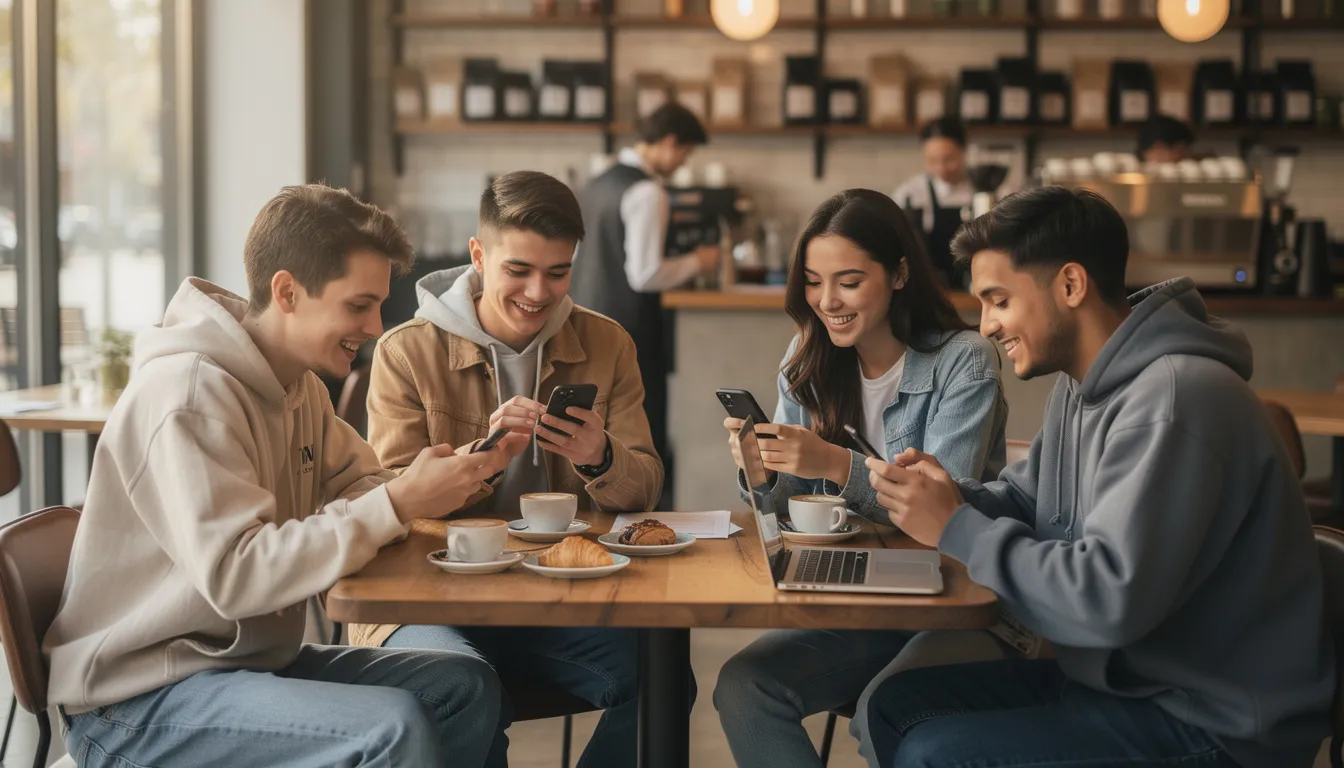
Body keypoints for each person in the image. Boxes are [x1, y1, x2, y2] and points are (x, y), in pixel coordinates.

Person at [43, 184, 523, 767]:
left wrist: (453, 469)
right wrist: (397, 503)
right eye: (358, 304)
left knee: (464, 688)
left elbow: (360, 488)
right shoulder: (189, 394)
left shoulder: (298, 388)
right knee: (392, 728)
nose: (375, 326)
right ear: (288, 291)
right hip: (135, 704)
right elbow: (236, 574)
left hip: (241, 667)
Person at [863, 186, 1334, 768]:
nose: (985, 325)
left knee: (936, 753)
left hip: (1215, 722)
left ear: (1070, 285)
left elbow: (1107, 600)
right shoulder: (1079, 386)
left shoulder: (1175, 399)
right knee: (893, 706)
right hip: (1129, 689)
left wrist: (956, 528)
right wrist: (950, 497)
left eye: (998, 299)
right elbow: (1028, 501)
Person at [354, 170, 668, 768]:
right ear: (478, 255)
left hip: (553, 597)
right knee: (460, 686)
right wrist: (484, 460)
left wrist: (600, 458)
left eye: (557, 272)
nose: (538, 291)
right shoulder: (405, 351)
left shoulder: (609, 344)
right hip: (426, 601)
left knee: (660, 672)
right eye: (518, 270)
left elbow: (647, 485)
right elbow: (394, 499)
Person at [712, 189, 1011, 768]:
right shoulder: (806, 356)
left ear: (900, 273)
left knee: (884, 708)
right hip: (857, 602)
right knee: (744, 687)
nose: (828, 301)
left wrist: (831, 463)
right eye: (813, 281)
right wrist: (760, 475)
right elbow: (786, 505)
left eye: (848, 281)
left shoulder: (963, 361)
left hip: (947, 604)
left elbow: (940, 514)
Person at [569, 102, 719, 499]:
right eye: (684, 152)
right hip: (631, 327)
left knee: (594, 422)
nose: (683, 162)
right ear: (669, 143)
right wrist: (698, 261)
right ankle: (647, 513)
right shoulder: (647, 191)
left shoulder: (598, 182)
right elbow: (646, 273)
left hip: (585, 319)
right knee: (637, 428)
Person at [891, 117, 1008, 288]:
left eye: (949, 159)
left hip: (983, 284)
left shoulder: (988, 187)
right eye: (933, 161)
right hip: (934, 288)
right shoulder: (910, 193)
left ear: (963, 150)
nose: (941, 168)